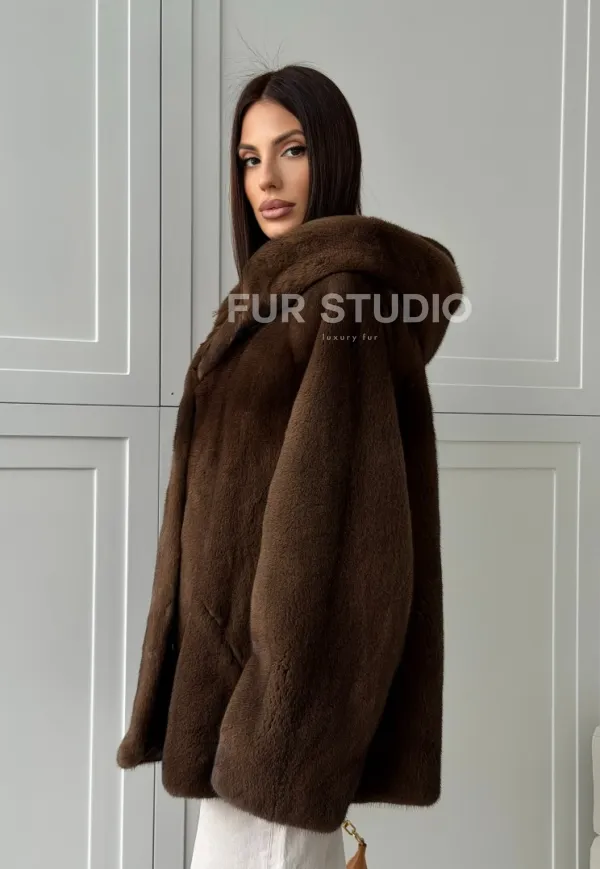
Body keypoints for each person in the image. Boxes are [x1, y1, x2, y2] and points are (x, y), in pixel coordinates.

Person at [116, 63, 464, 868]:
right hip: (246, 714)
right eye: (249, 158)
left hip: (276, 732)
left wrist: (280, 730)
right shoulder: (274, 300)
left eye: (292, 149)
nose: (265, 180)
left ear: (333, 155)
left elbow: (340, 543)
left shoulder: (340, 300)